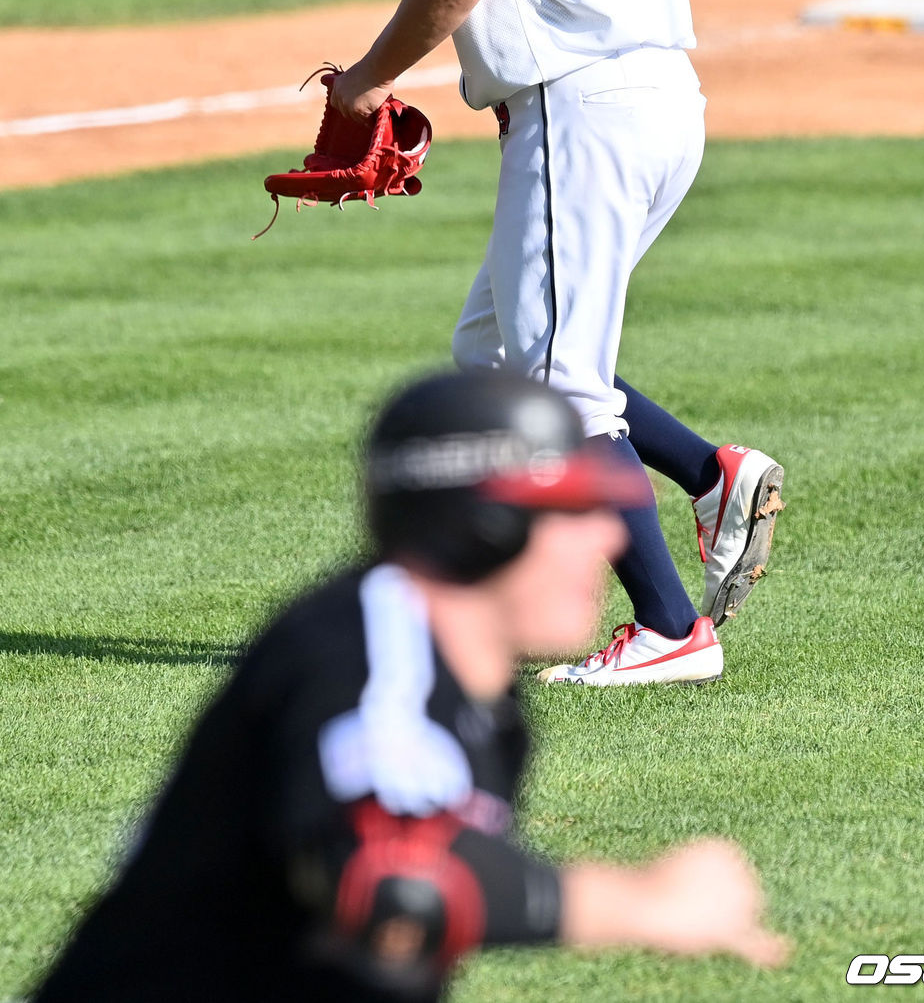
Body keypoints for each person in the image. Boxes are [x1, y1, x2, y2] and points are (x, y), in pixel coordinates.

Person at [331, 0, 785, 688]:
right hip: (663, 98)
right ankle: (707, 471)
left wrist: (363, 84)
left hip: (584, 111)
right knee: (497, 357)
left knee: (554, 389)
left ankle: (673, 628)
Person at [30, 372, 789, 1002]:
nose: (609, 535)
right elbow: (396, 884)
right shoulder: (370, 648)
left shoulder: (473, 686)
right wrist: (643, 903)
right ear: (483, 524)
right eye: (574, 509)